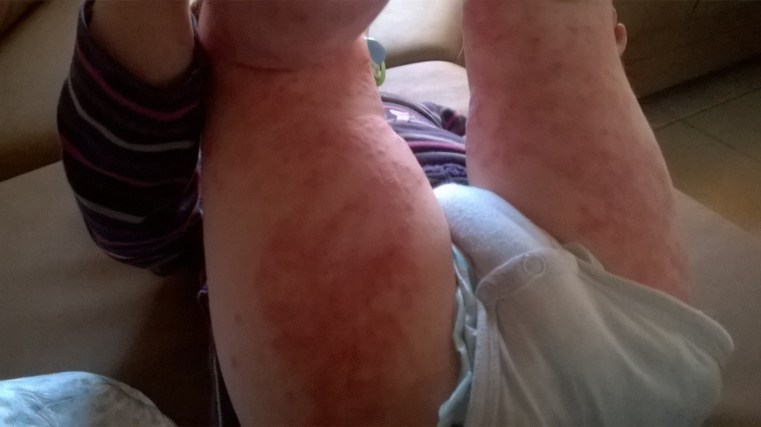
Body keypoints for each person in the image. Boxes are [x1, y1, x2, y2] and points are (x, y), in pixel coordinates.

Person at [56, 0, 732, 425]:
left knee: (538, 32)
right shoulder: (219, 191)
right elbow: (127, 209)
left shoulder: (435, 115)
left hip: (593, 290)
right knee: (270, 62)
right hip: (596, 346)